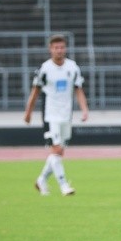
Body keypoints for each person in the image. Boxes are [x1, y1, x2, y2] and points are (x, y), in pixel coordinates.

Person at [24, 34, 89, 197]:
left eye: (62, 47)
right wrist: (28, 112)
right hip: (50, 115)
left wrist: (84, 109)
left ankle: (41, 180)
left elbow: (78, 90)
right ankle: (64, 185)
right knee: (56, 149)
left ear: (65, 48)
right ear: (50, 49)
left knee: (59, 152)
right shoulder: (45, 69)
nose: (59, 50)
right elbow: (35, 92)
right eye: (56, 48)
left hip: (66, 115)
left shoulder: (72, 67)